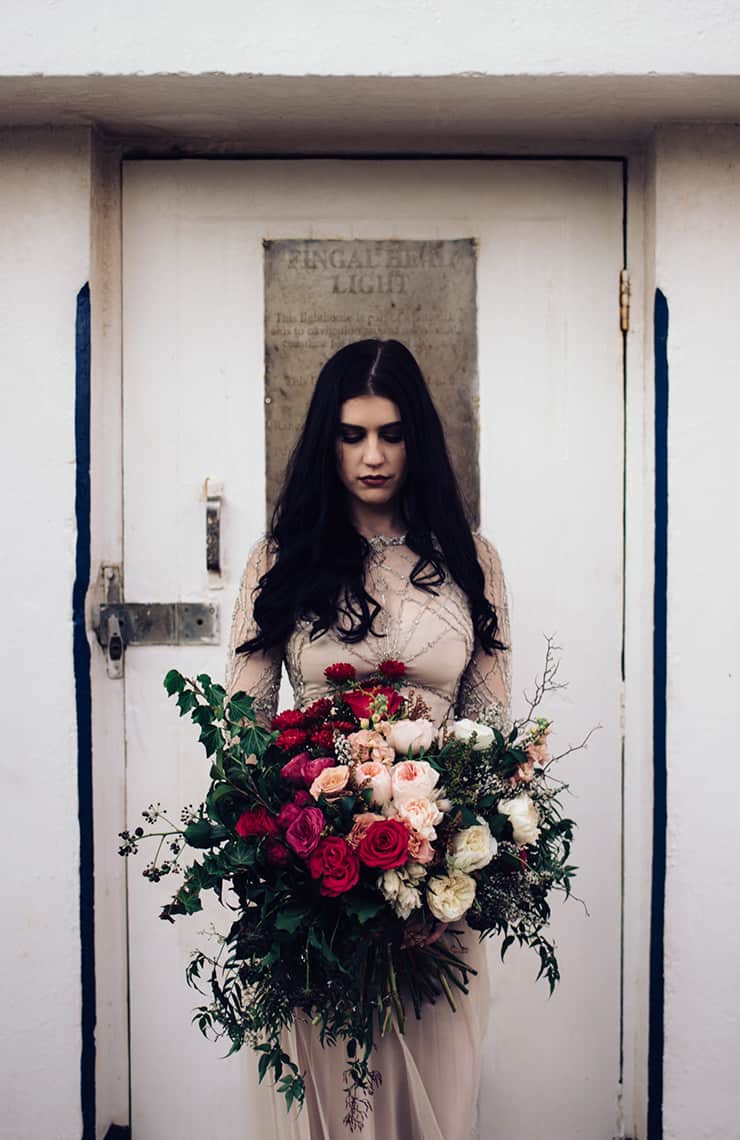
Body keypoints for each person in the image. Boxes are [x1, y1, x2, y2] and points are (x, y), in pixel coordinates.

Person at [225, 338, 512, 1140]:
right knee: (330, 1113)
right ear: (328, 440)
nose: (374, 456)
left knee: (439, 1109)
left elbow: (490, 735)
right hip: (316, 895)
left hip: (437, 899)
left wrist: (448, 867)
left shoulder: (472, 562)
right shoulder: (278, 562)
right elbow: (243, 737)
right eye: (353, 435)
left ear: (416, 438)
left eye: (391, 433)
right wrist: (291, 861)